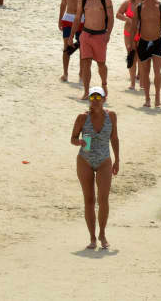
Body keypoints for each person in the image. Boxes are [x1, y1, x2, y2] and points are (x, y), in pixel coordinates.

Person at [71, 86, 120, 250]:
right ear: (89, 100)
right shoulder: (82, 118)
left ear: (104, 99)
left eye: (99, 98)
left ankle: (103, 234)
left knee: (103, 199)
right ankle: (92, 237)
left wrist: (117, 159)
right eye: (92, 98)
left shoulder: (111, 116)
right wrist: (78, 142)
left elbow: (114, 137)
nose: (95, 101)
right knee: (89, 200)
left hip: (104, 160)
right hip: (84, 160)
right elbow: (73, 138)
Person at [75, 0, 113, 97]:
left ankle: (104, 84)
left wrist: (108, 33)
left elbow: (111, 17)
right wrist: (71, 36)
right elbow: (77, 18)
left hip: (100, 35)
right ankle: (86, 91)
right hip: (86, 34)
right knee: (86, 63)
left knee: (101, 64)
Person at [134, 0, 161, 107]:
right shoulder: (139, 7)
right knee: (144, 73)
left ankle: (157, 97)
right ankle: (147, 98)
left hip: (157, 41)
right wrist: (132, 41)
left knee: (157, 71)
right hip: (143, 41)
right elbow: (133, 27)